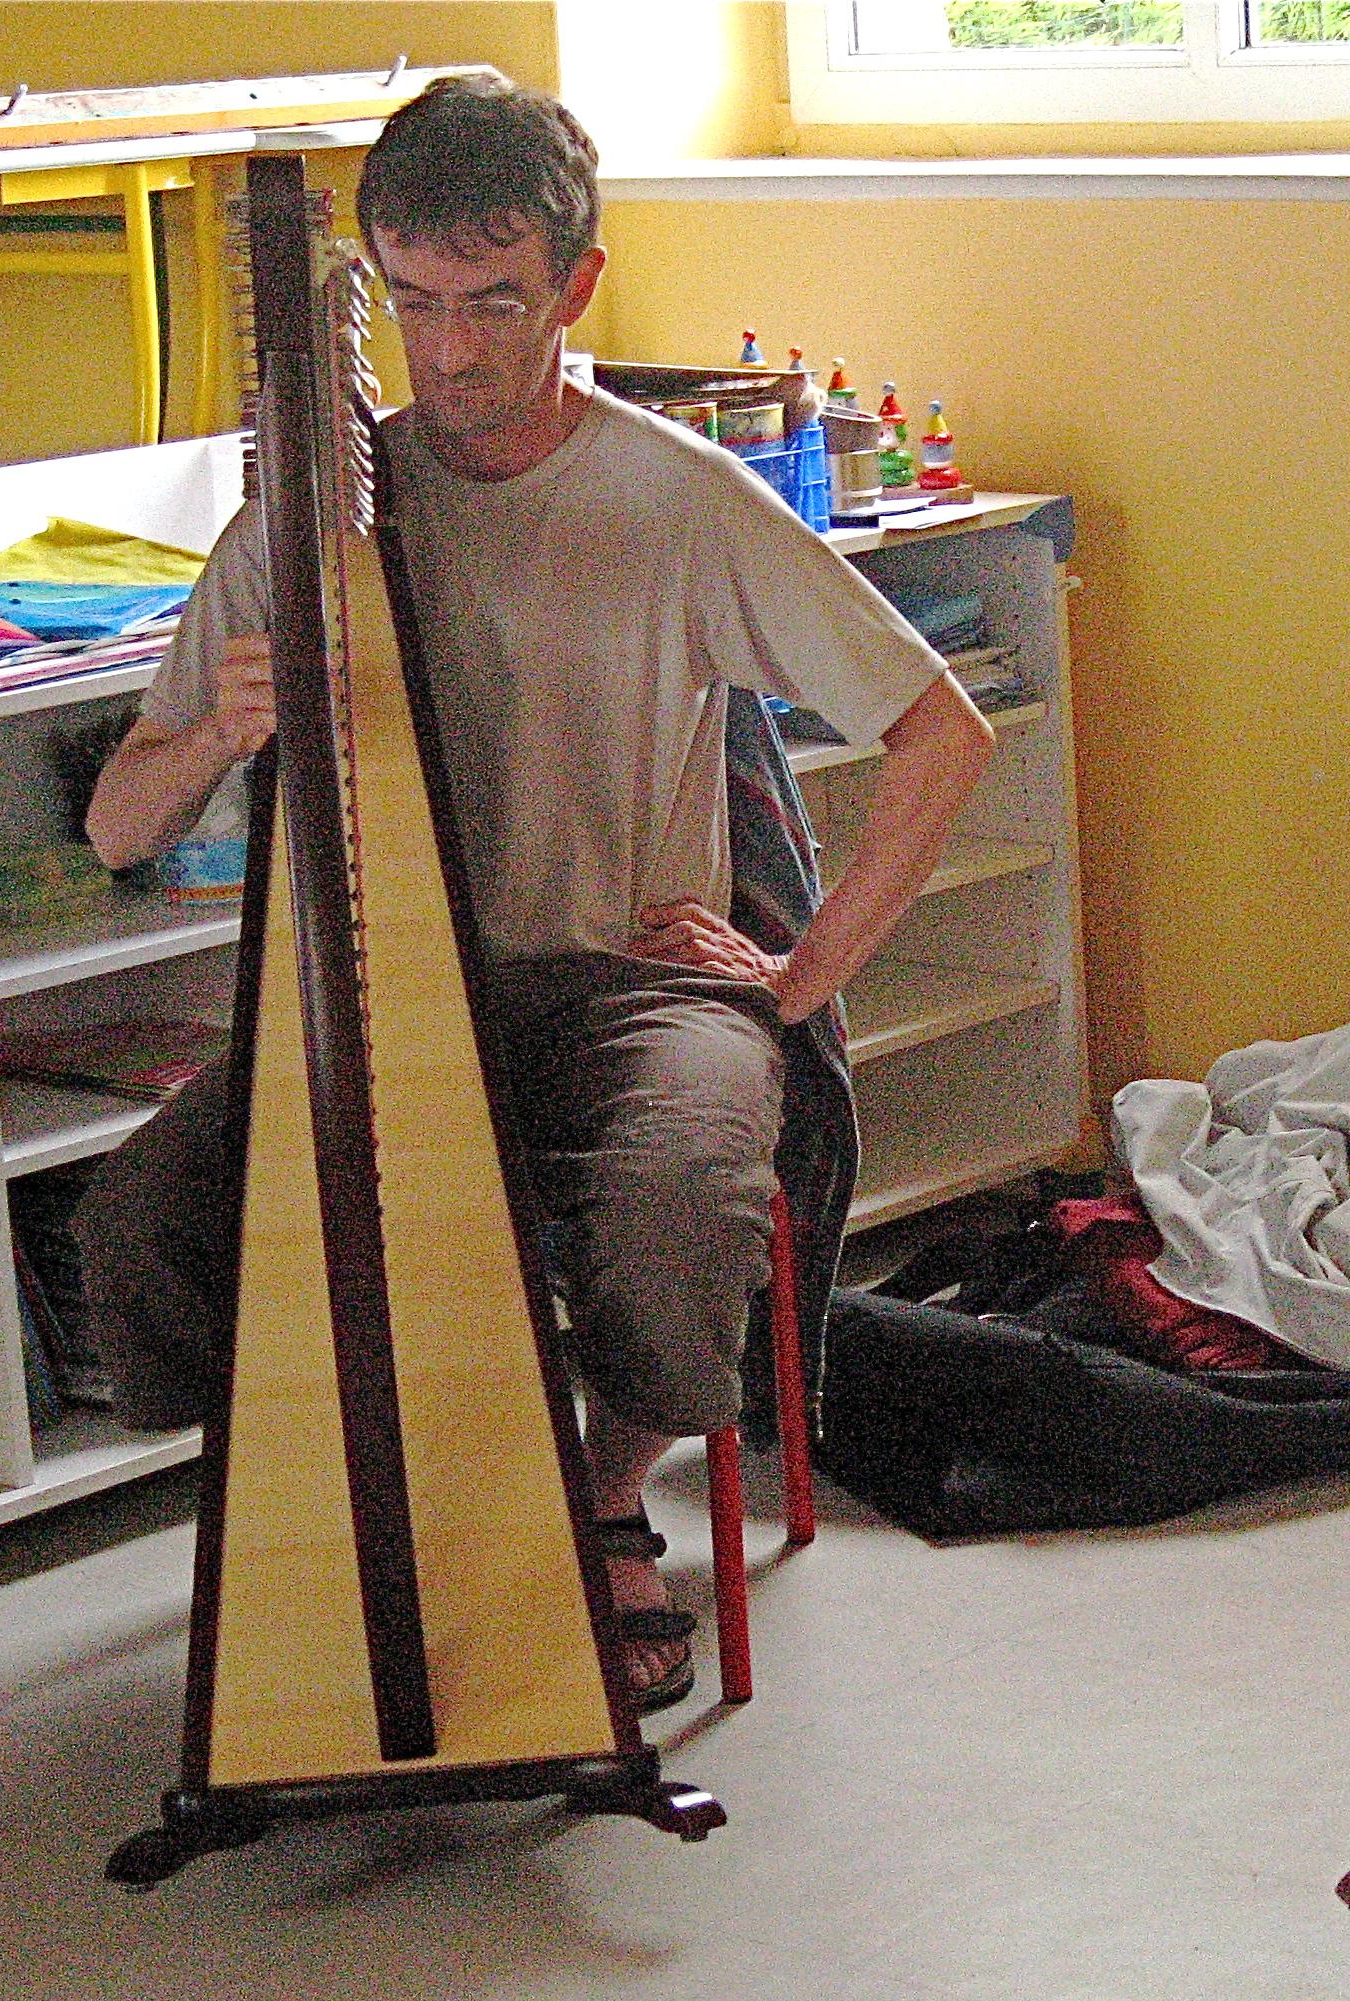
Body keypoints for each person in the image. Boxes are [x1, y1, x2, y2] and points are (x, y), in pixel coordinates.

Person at [76, 75, 995, 1712]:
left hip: (632, 988)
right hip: (381, 1001)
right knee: (141, 1218)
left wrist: (795, 983)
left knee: (676, 1200)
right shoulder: (315, 517)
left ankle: (601, 1496)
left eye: (493, 302)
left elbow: (943, 731)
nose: (448, 352)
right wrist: (218, 727)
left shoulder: (677, 498)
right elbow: (116, 831)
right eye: (413, 303)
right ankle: (352, 1490)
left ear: (577, 285)